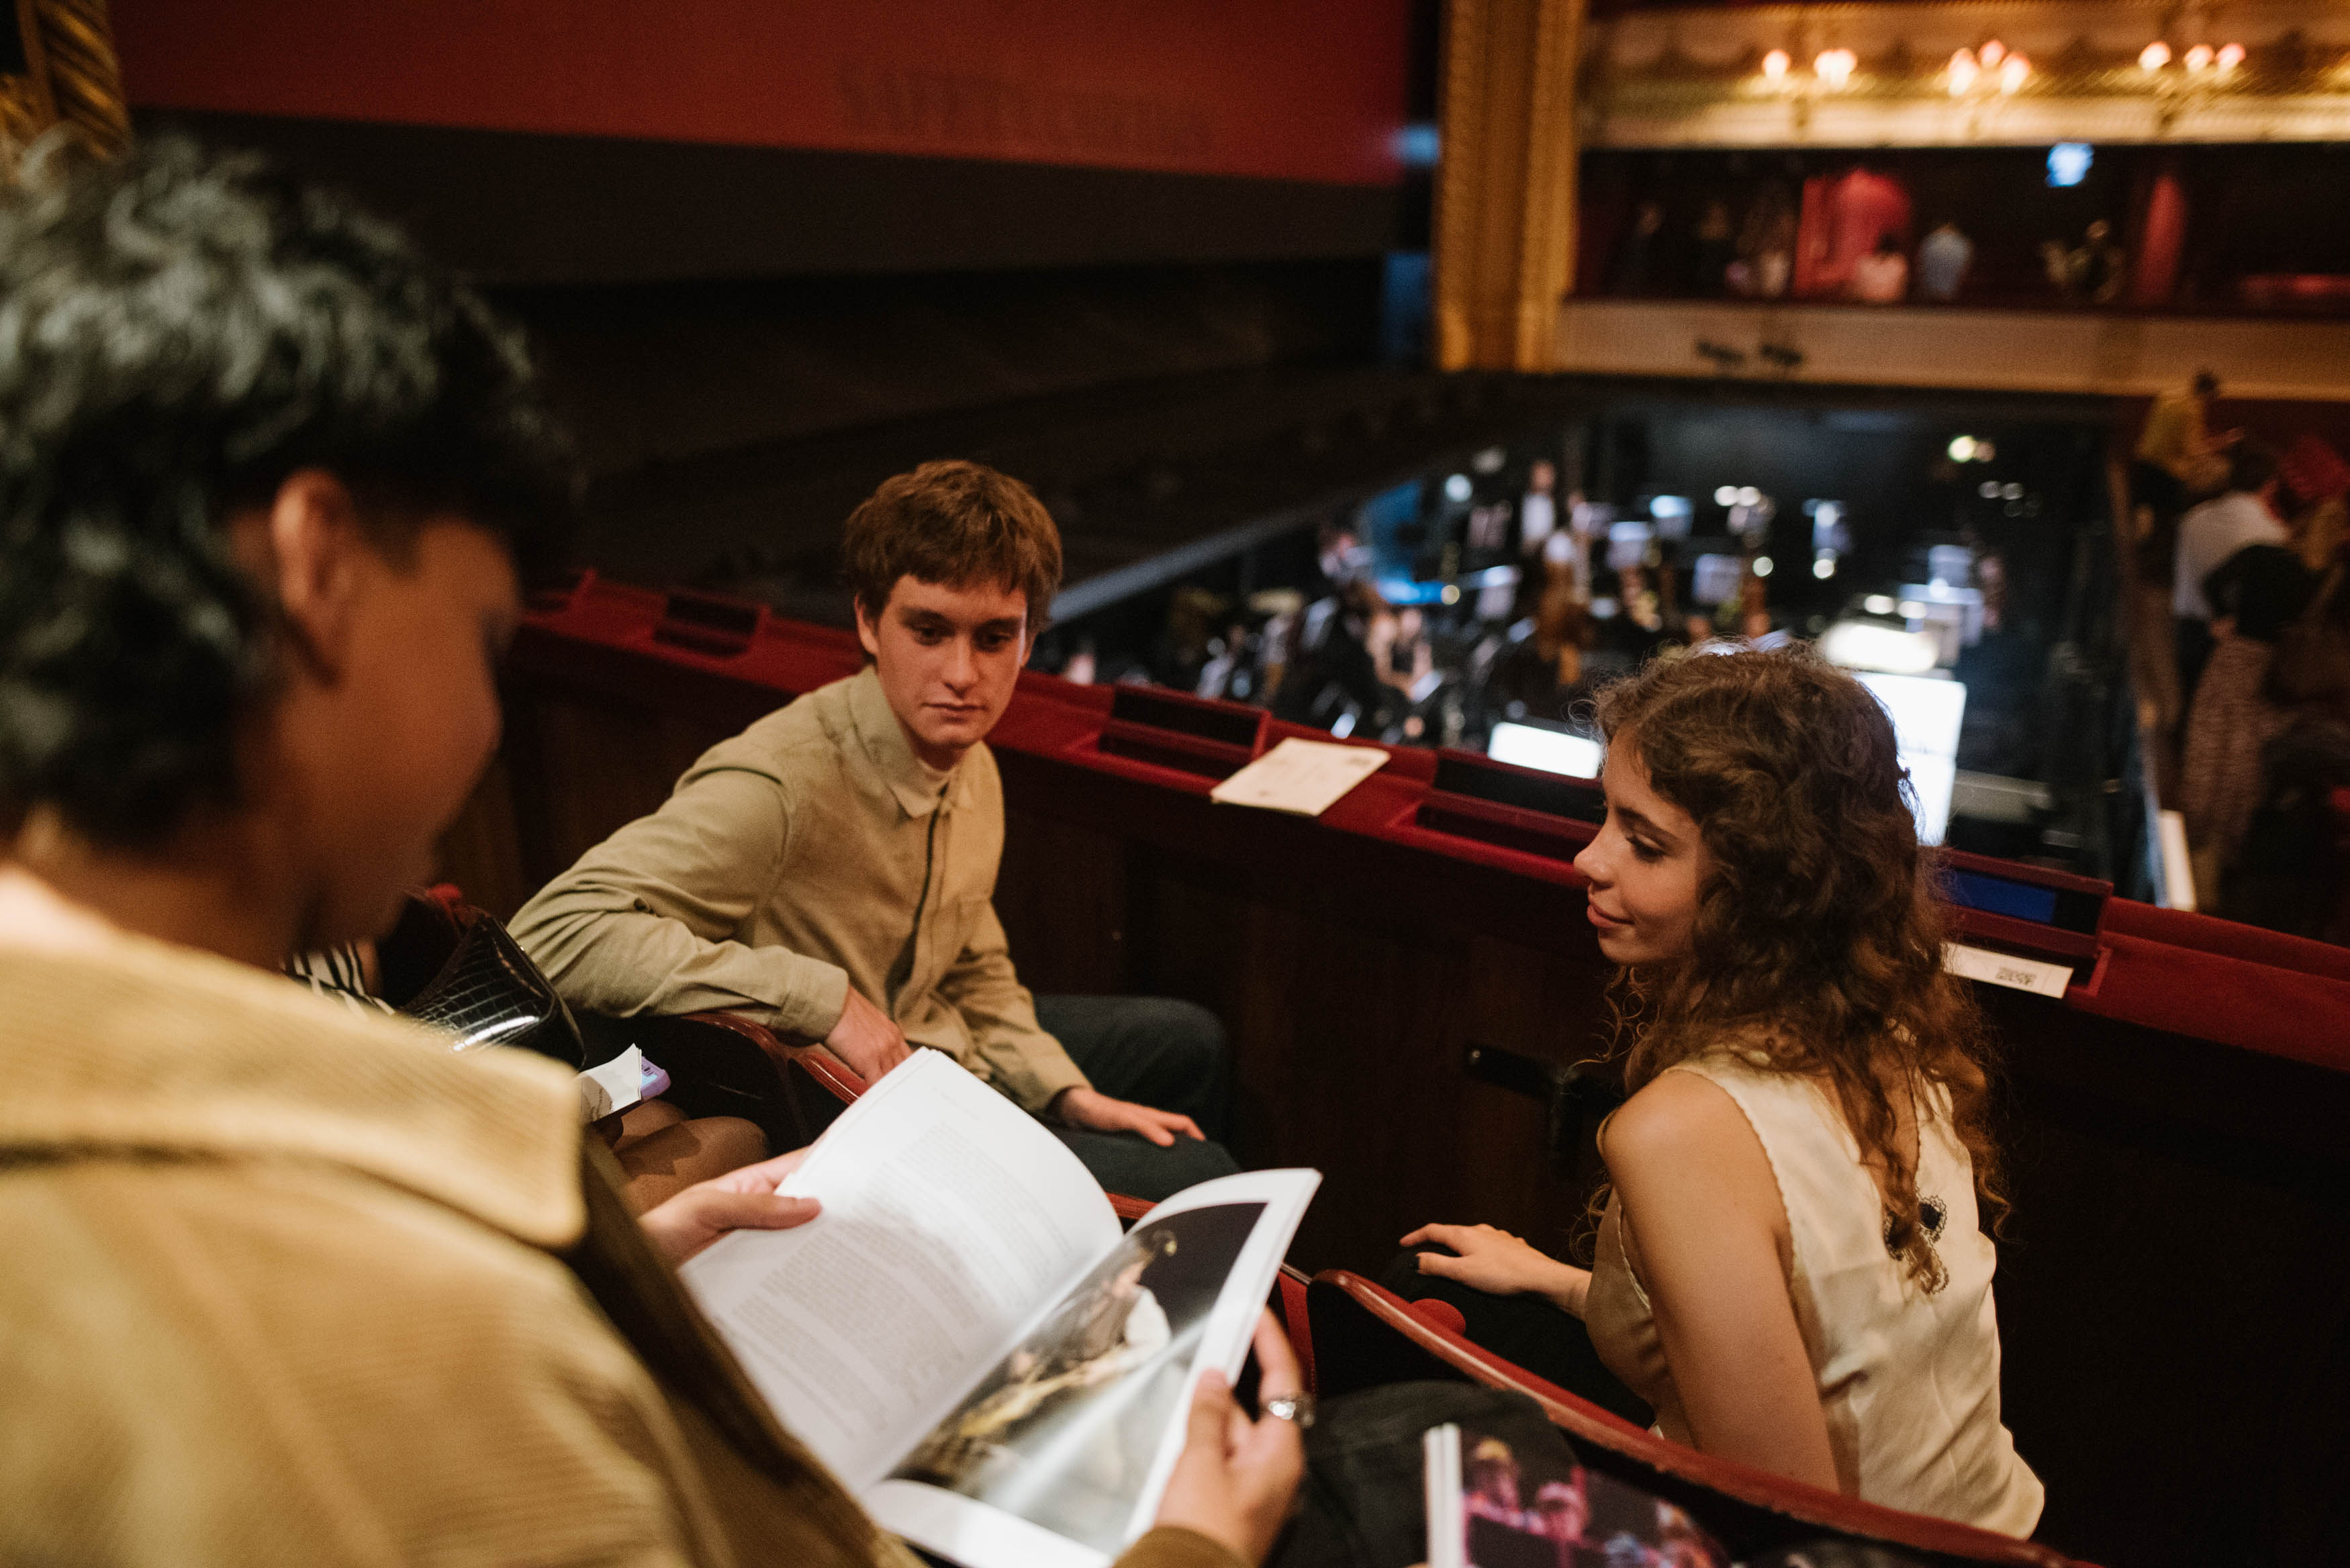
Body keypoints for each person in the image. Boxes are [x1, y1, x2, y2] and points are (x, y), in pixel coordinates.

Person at [0, 138, 1303, 1568]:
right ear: (319, 573)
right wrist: (1189, 1549)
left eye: (996, 638)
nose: (485, 722)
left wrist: (615, 1266)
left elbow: (976, 952)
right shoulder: (383, 1296)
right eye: (487, 634)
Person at [1397, 646, 2042, 1535]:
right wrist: (1559, 1281)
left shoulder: (1679, 1133)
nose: (1589, 858)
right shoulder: (1895, 1029)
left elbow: (1781, 1525)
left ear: (1767, 887)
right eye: (1605, 818)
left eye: (1644, 841)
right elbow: (1815, 1339)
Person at [510, 460, 1238, 1202]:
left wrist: (1061, 1092)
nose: (962, 674)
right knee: (1199, 1173)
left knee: (1188, 1041)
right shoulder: (781, 780)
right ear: (866, 621)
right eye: (928, 630)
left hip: (935, 1044)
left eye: (993, 638)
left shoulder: (974, 765)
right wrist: (821, 998)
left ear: (1028, 641)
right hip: (844, 1105)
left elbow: (972, 965)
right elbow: (554, 930)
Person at [2181, 544, 2318, 901]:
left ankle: (2194, 850)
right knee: (2244, 764)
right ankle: (2222, 862)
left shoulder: (2258, 555)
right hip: (2271, 671)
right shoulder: (2306, 576)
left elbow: (2212, 581)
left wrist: (2226, 613)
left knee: (2210, 749)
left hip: (2234, 655)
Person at [2175, 441, 2288, 707]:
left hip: (2187, 628)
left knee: (2188, 703)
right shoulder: (2273, 535)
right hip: (2231, 639)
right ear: (2271, 485)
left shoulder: (2195, 516)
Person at [1914, 221, 1972, 303]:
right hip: (1954, 296)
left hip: (1930, 296)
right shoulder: (1963, 245)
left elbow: (1920, 269)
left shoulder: (1928, 242)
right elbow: (1965, 272)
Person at [1846, 232, 1909, 303]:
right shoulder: (1900, 263)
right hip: (1869, 305)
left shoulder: (1899, 263)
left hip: (1890, 306)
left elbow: (1855, 291)